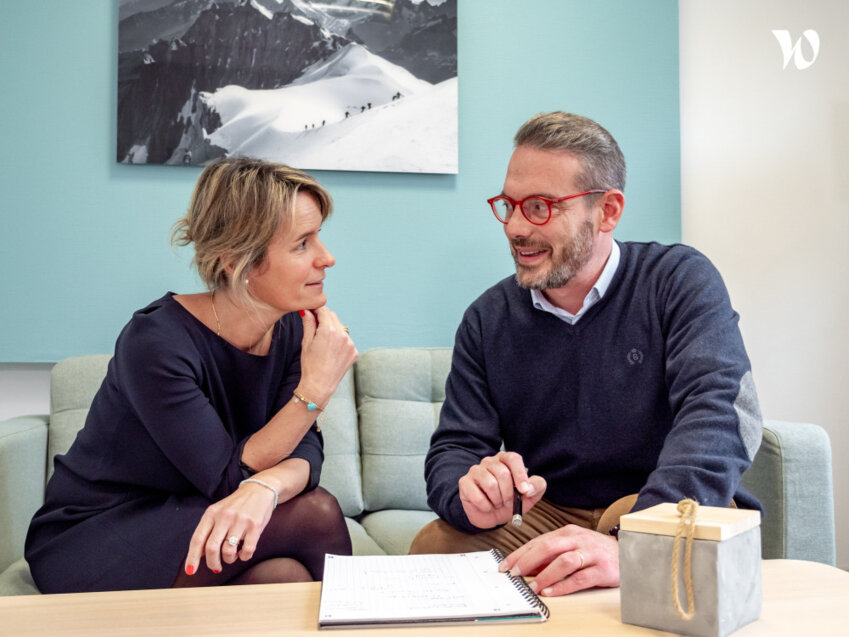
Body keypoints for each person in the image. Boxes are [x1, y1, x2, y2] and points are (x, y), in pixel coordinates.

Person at [409, 112, 762, 598]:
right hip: (550, 516)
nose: (514, 227)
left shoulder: (679, 281)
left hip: (665, 504)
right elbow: (454, 449)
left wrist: (638, 538)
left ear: (608, 211)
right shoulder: (487, 319)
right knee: (436, 545)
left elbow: (718, 413)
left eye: (539, 207)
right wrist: (469, 494)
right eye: (508, 205)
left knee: (641, 529)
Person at [25, 157, 358, 593]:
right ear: (237, 259)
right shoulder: (155, 341)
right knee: (316, 513)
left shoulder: (293, 326)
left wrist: (266, 489)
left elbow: (306, 449)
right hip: (100, 530)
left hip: (197, 511)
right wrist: (316, 388)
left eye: (320, 238)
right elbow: (225, 477)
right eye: (302, 244)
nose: (327, 258)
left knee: (285, 578)